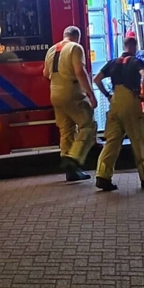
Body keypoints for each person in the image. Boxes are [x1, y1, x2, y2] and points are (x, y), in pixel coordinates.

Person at [93, 36, 144, 191]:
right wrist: (143, 94)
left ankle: (102, 176)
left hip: (115, 102)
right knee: (139, 139)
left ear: (124, 46)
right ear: (134, 47)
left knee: (112, 141)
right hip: (130, 102)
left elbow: (97, 79)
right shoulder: (136, 61)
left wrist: (107, 94)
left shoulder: (113, 62)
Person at [43, 26, 98, 182]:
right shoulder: (75, 48)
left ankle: (70, 170)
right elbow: (80, 72)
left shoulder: (52, 50)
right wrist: (90, 94)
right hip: (72, 93)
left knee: (66, 130)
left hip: (55, 94)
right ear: (77, 37)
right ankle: (74, 159)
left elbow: (45, 74)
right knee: (88, 125)